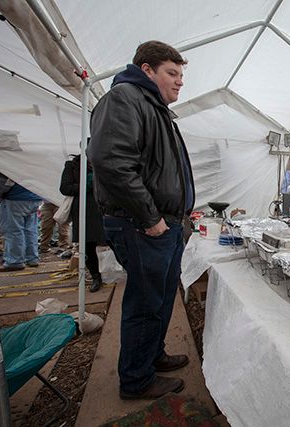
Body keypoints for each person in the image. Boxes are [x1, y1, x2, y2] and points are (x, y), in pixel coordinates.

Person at [88, 40, 195, 400]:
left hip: (161, 224)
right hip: (142, 225)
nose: (179, 82)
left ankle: (151, 356)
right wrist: (151, 219)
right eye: (172, 73)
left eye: (182, 75)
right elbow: (112, 161)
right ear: (146, 70)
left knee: (162, 298)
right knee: (147, 301)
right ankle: (136, 379)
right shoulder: (125, 98)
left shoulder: (155, 107)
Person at [59, 154, 106, 292]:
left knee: (113, 242)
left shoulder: (105, 161)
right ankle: (96, 277)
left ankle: (126, 271)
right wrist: (88, 184)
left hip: (105, 208)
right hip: (84, 211)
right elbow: (65, 188)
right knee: (88, 246)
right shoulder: (72, 165)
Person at [0, 172, 42, 271]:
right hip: (34, 196)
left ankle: (14, 261)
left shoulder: (7, 160)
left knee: (12, 231)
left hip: (14, 198)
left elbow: (1, 182)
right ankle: (32, 258)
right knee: (30, 230)